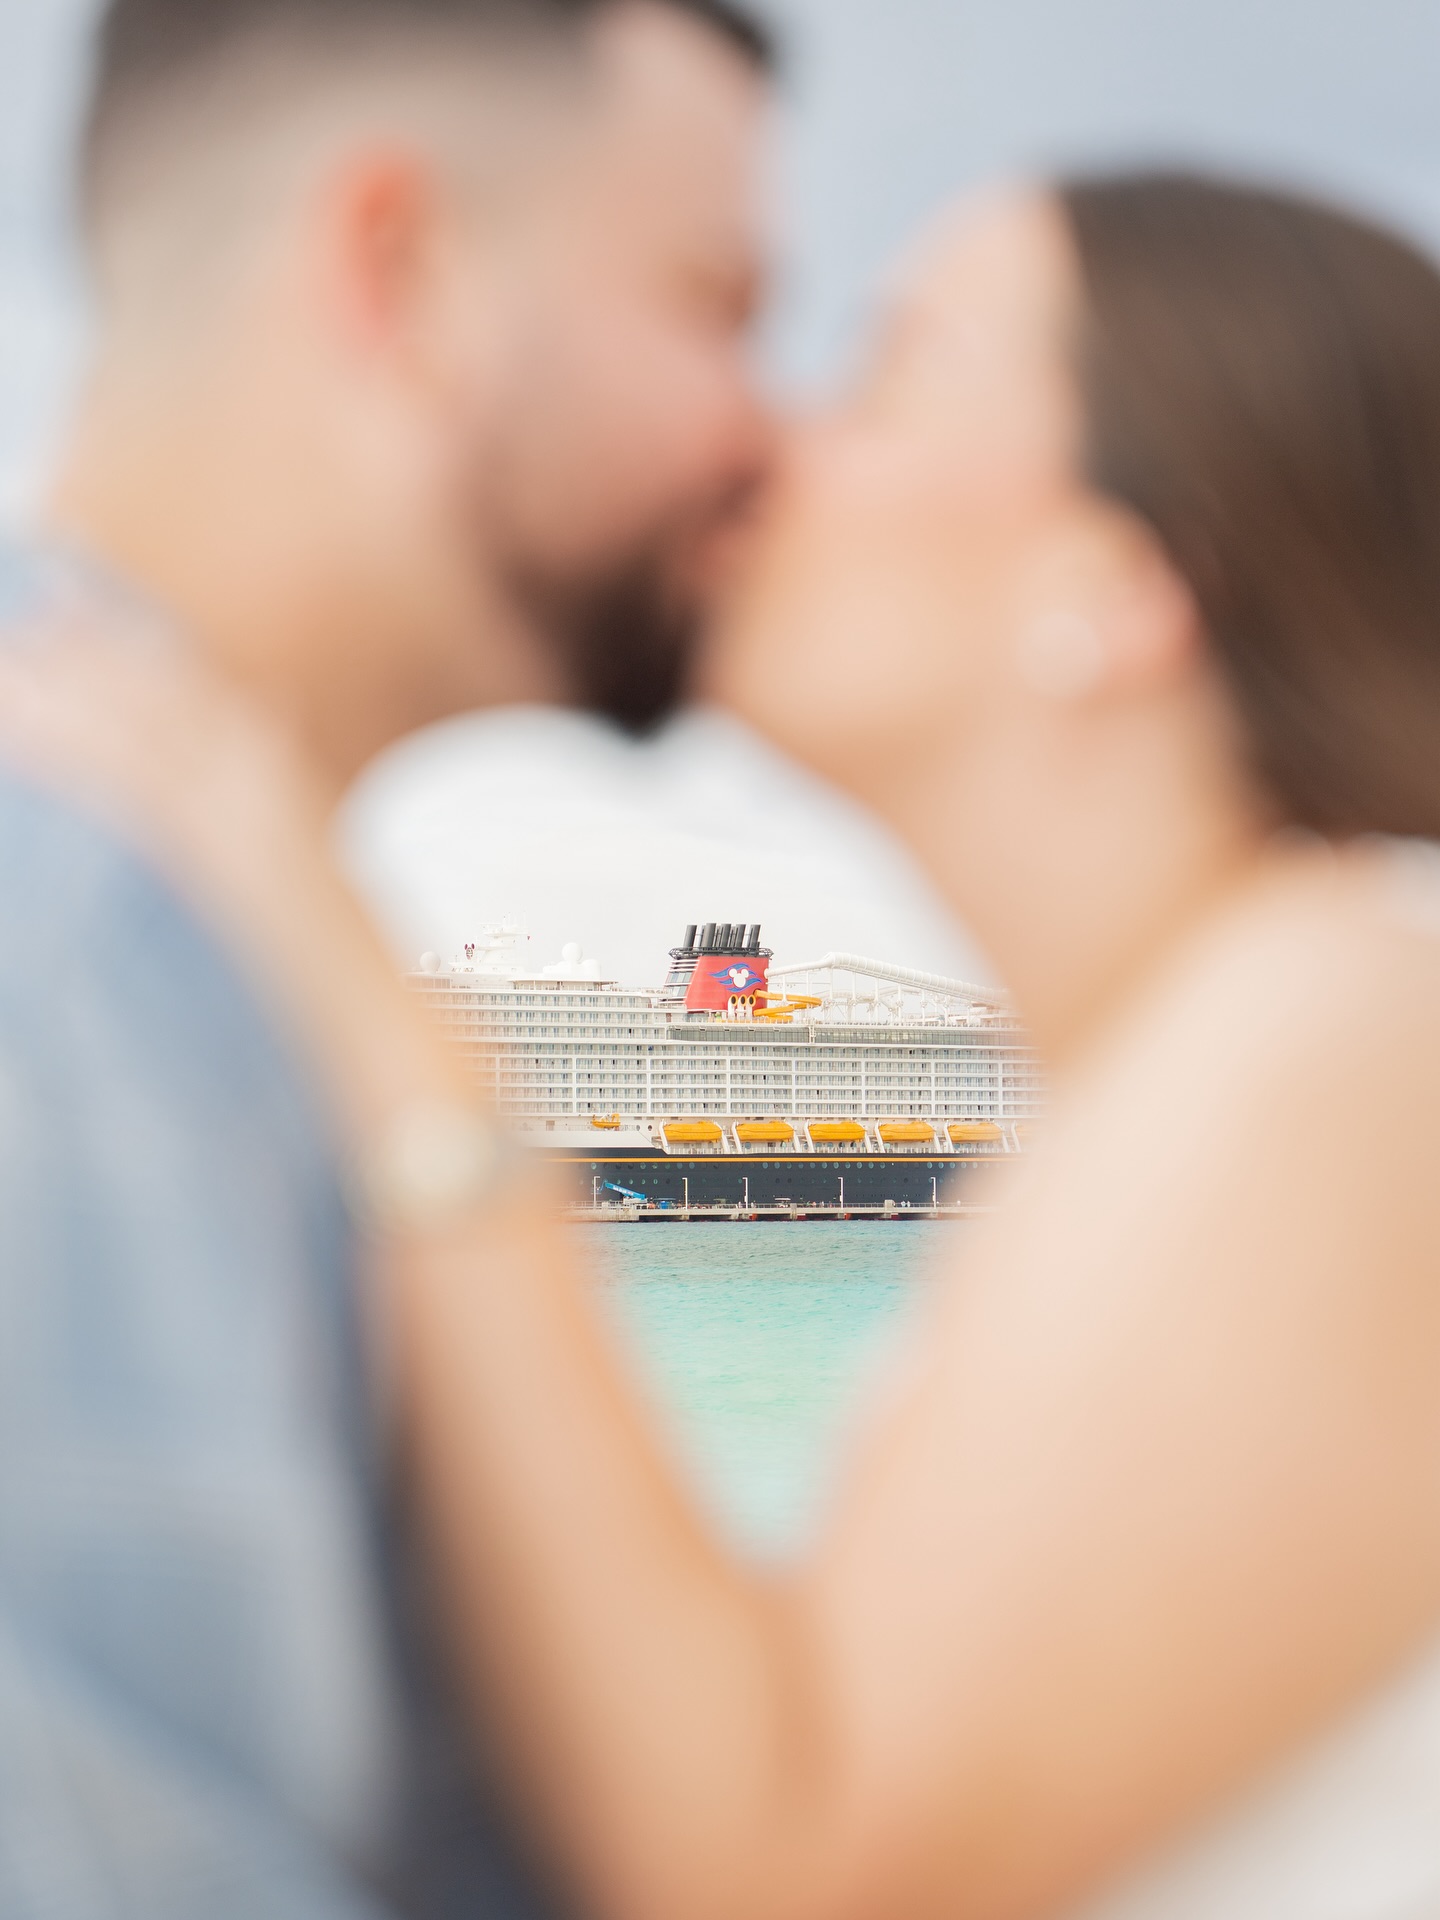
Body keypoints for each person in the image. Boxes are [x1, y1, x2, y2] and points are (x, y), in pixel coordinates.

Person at [9, 165, 1440, 1920]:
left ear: (1123, 584)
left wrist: (373, 1005)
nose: (762, 451)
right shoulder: (1221, 1069)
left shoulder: (1344, 1011)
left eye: (882, 368)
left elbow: (772, 1865)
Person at [0, 0, 775, 1912]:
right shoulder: (84, 935)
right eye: (714, 303)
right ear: (401, 268)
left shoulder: (213, 913)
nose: (767, 430)